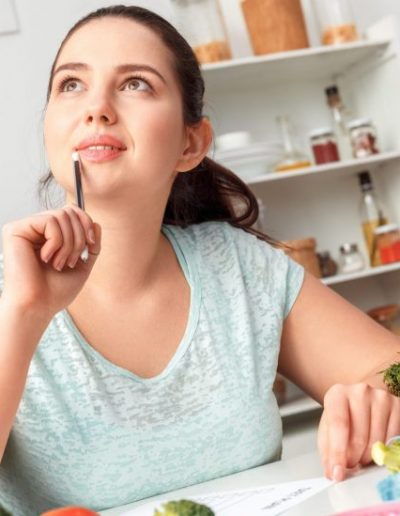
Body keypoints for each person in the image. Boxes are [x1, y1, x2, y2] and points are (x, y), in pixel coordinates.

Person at [0, 4, 399, 515]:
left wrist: (375, 397)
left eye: (136, 84)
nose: (96, 107)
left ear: (192, 144)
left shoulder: (236, 266)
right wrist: (23, 315)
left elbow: (391, 369)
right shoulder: (11, 292)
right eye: (71, 84)